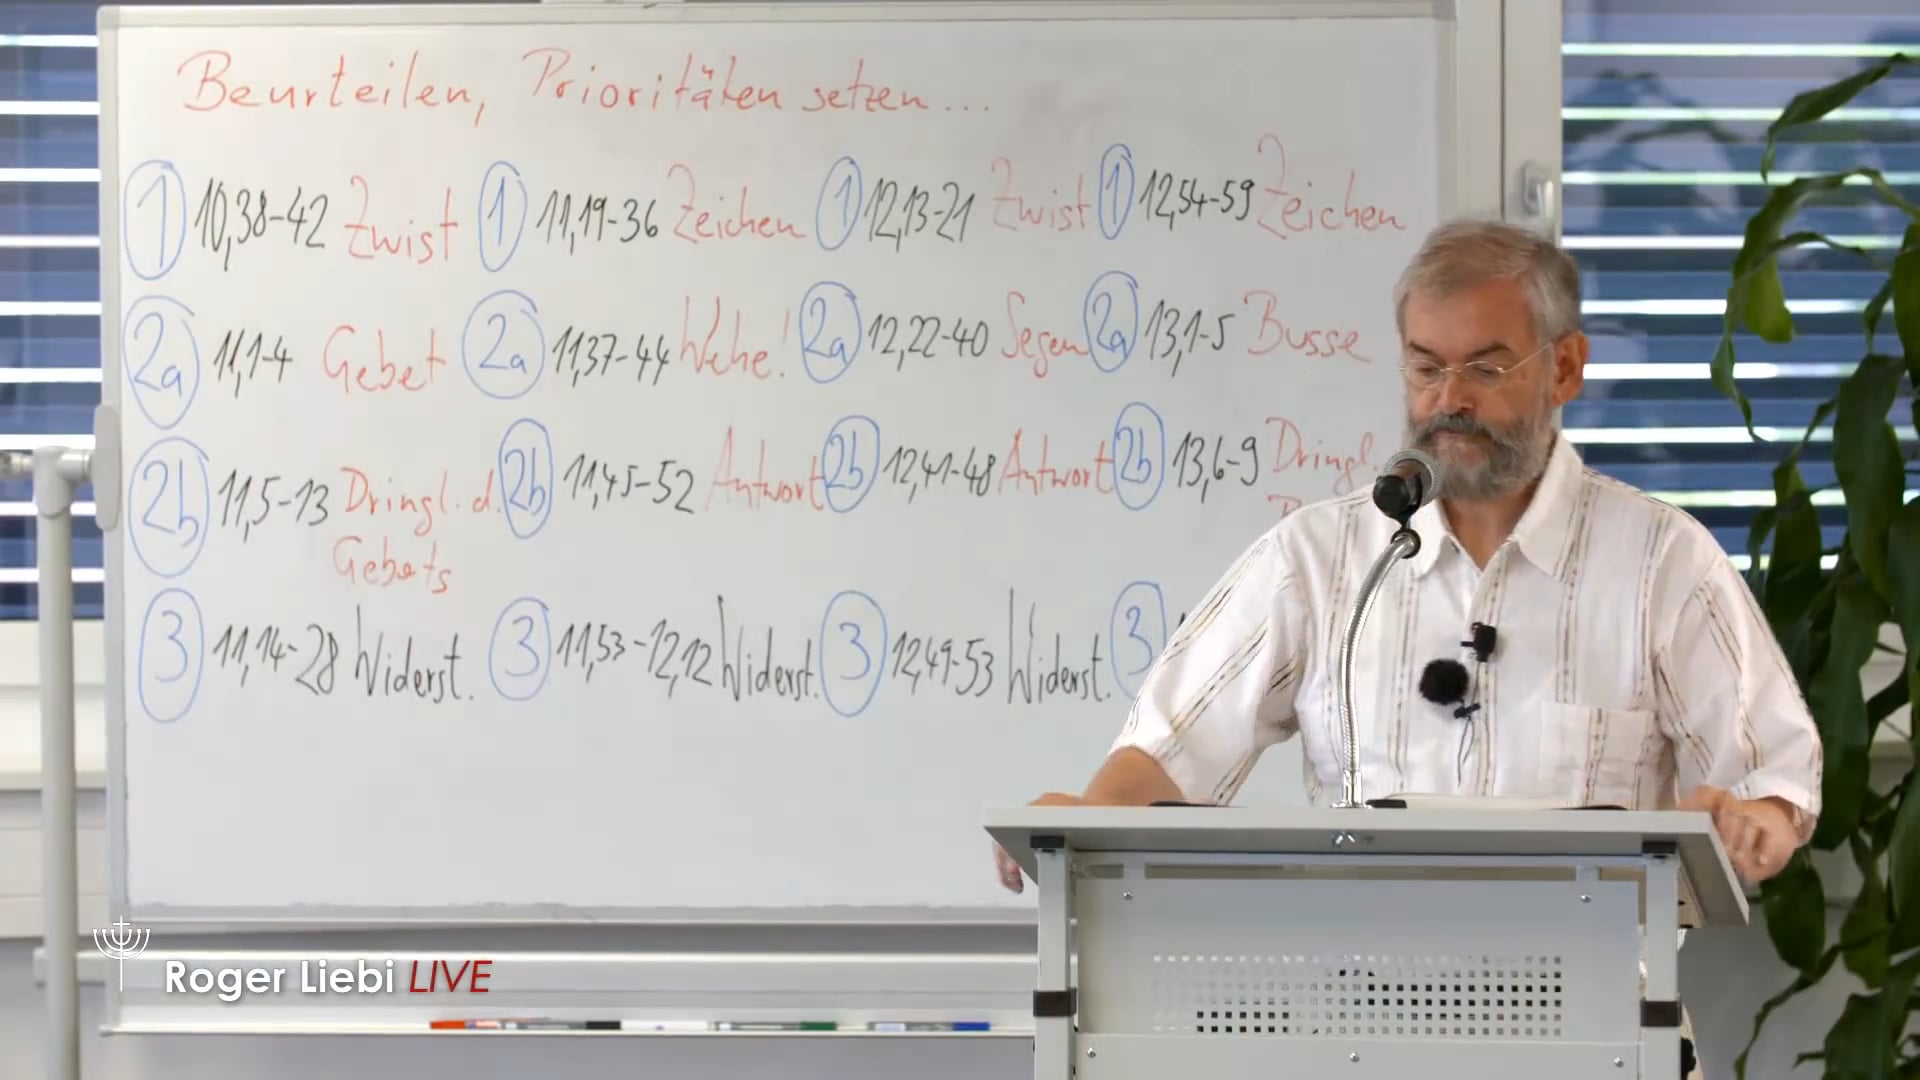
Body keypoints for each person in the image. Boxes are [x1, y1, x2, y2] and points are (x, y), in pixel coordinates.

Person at [995, 218, 1821, 894]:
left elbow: (1774, 781)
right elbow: (1172, 752)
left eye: (1485, 369)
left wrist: (1759, 823)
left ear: (1565, 368)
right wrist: (1082, 823)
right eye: (1426, 369)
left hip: (1598, 1003)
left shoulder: (1661, 561)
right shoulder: (1318, 559)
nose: (1448, 400)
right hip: (1356, 1002)